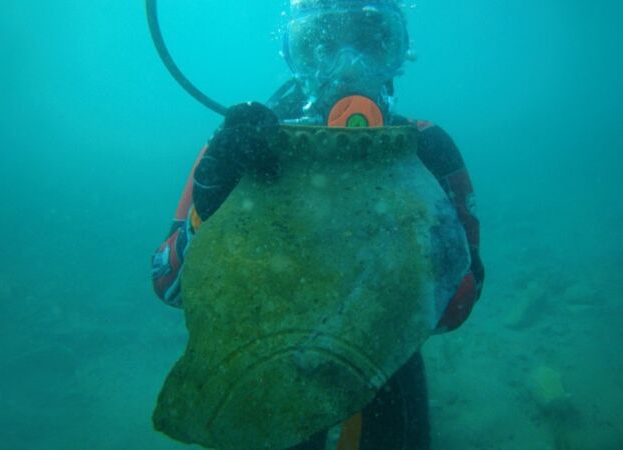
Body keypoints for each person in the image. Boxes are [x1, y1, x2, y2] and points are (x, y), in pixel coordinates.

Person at [150, 1, 485, 449]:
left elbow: (457, 307)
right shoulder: (241, 145)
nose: (348, 66)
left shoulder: (427, 151)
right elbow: (168, 284)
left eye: (373, 41)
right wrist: (209, 205)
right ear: (292, 55)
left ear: (399, 53)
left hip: (386, 369)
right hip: (268, 371)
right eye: (319, 45)